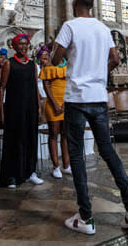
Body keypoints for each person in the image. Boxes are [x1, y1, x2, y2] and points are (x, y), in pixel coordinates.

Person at [51, 0, 128, 235]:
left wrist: (62, 54)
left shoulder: (70, 26)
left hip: (76, 99)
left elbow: (54, 59)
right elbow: (115, 59)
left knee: (77, 155)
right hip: (98, 98)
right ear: (91, 5)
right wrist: (98, 72)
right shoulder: (104, 29)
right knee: (108, 151)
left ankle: (85, 217)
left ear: (74, 3)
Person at [0, 34, 44, 189]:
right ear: (14, 46)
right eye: (20, 44)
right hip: (14, 108)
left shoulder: (32, 65)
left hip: (30, 106)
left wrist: (39, 107)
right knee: (14, 140)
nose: (24, 47)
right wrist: (1, 108)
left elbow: (36, 88)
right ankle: (12, 176)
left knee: (31, 138)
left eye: (26, 44)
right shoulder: (9, 64)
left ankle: (30, 171)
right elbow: (2, 87)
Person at [37, 45, 71, 179]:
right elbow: (46, 86)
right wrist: (56, 104)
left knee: (65, 135)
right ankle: (56, 166)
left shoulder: (68, 64)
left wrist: (66, 103)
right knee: (53, 134)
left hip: (66, 102)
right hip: (52, 104)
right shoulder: (48, 65)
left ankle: (66, 166)